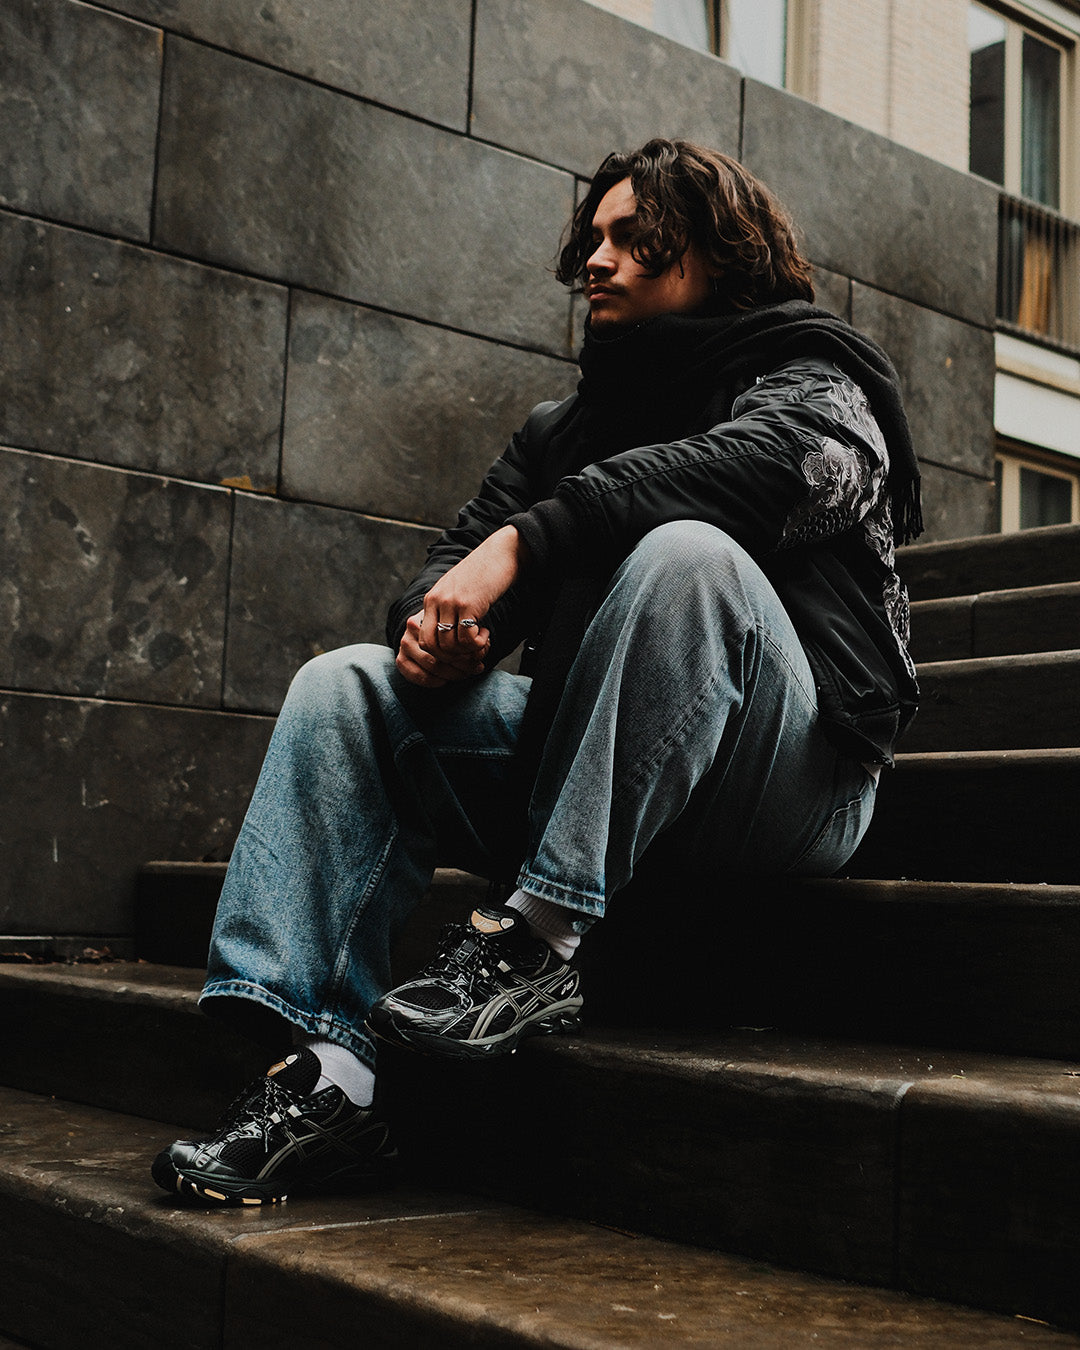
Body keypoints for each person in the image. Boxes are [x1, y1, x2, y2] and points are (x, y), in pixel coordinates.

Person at [152, 138, 921, 1206]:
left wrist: (530, 540)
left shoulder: (818, 380)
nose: (596, 261)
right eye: (592, 240)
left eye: (633, 240)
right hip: (600, 756)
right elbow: (450, 570)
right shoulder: (564, 429)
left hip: (786, 780)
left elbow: (764, 472)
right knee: (348, 687)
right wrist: (436, 632)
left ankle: (534, 945)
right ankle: (328, 1077)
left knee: (687, 555)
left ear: (713, 252)